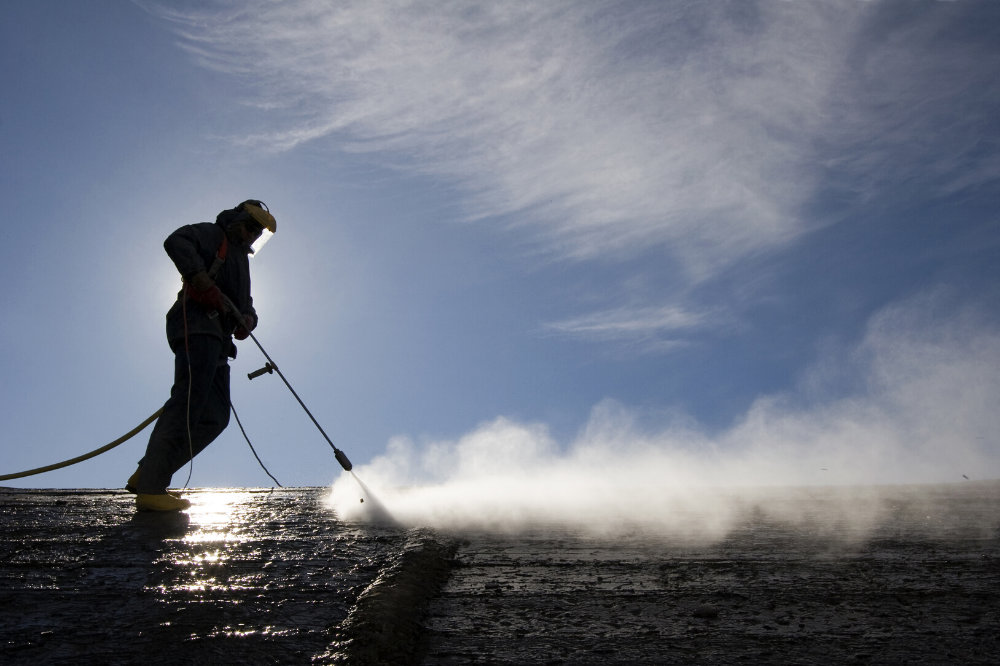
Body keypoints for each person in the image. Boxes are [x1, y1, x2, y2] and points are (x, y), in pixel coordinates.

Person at [126, 200, 277, 511]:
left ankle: (150, 472)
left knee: (216, 417)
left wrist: (248, 318)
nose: (252, 235)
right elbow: (176, 241)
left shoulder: (241, 261)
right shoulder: (212, 234)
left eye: (258, 232)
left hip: (220, 342)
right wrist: (199, 278)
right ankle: (152, 487)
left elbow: (245, 301)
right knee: (188, 402)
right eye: (250, 227)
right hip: (196, 327)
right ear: (238, 220)